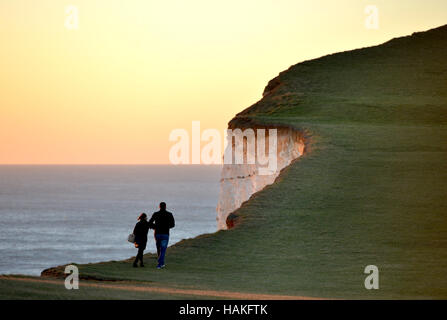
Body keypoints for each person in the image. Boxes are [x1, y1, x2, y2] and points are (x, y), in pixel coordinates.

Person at [148, 202, 175, 269]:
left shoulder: (156, 214)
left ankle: (161, 263)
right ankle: (160, 264)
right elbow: (173, 225)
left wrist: (155, 227)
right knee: (163, 249)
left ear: (159, 206)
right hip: (165, 234)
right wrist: (167, 227)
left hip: (157, 234)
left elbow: (149, 223)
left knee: (158, 248)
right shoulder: (169, 214)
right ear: (165, 206)